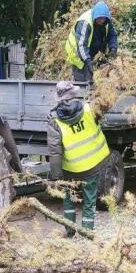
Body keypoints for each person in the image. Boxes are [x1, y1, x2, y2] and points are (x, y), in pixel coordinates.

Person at [47, 81, 110, 234]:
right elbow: (107, 103)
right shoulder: (89, 109)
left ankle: (70, 233)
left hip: (70, 170)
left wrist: (57, 177)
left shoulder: (54, 121)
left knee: (69, 199)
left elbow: (55, 152)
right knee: (89, 201)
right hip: (92, 166)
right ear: (74, 94)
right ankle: (88, 233)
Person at [64, 0, 118, 82]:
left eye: (103, 18)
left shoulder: (107, 21)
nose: (101, 21)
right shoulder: (85, 22)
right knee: (83, 84)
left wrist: (113, 48)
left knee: (97, 83)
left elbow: (112, 35)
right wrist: (87, 60)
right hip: (79, 56)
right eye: (99, 18)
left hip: (95, 54)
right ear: (95, 15)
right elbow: (81, 45)